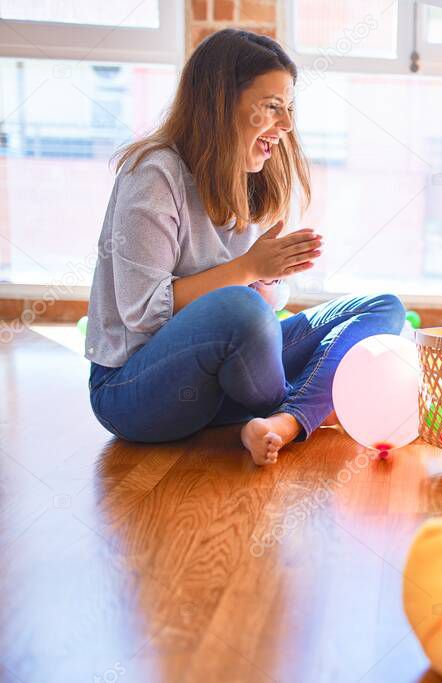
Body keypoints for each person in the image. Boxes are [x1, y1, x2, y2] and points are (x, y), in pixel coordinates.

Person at [85, 29, 404, 465]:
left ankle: (283, 423)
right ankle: (313, 402)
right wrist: (249, 269)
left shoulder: (252, 173)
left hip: (225, 385)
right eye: (272, 107)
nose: (287, 125)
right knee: (242, 309)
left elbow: (261, 318)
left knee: (383, 307)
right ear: (220, 103)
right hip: (134, 391)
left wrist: (266, 275)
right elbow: (141, 311)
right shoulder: (154, 174)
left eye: (288, 109)